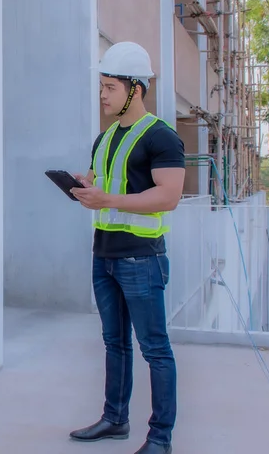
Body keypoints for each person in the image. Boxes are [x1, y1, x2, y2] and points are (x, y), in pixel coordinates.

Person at [69, 42, 185, 454]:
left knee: (155, 349)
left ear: (135, 89)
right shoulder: (102, 139)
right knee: (114, 343)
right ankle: (115, 420)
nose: (102, 94)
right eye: (101, 86)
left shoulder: (161, 138)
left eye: (110, 87)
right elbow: (106, 186)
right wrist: (88, 188)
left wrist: (109, 200)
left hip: (141, 259)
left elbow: (168, 196)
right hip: (105, 256)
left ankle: (160, 439)